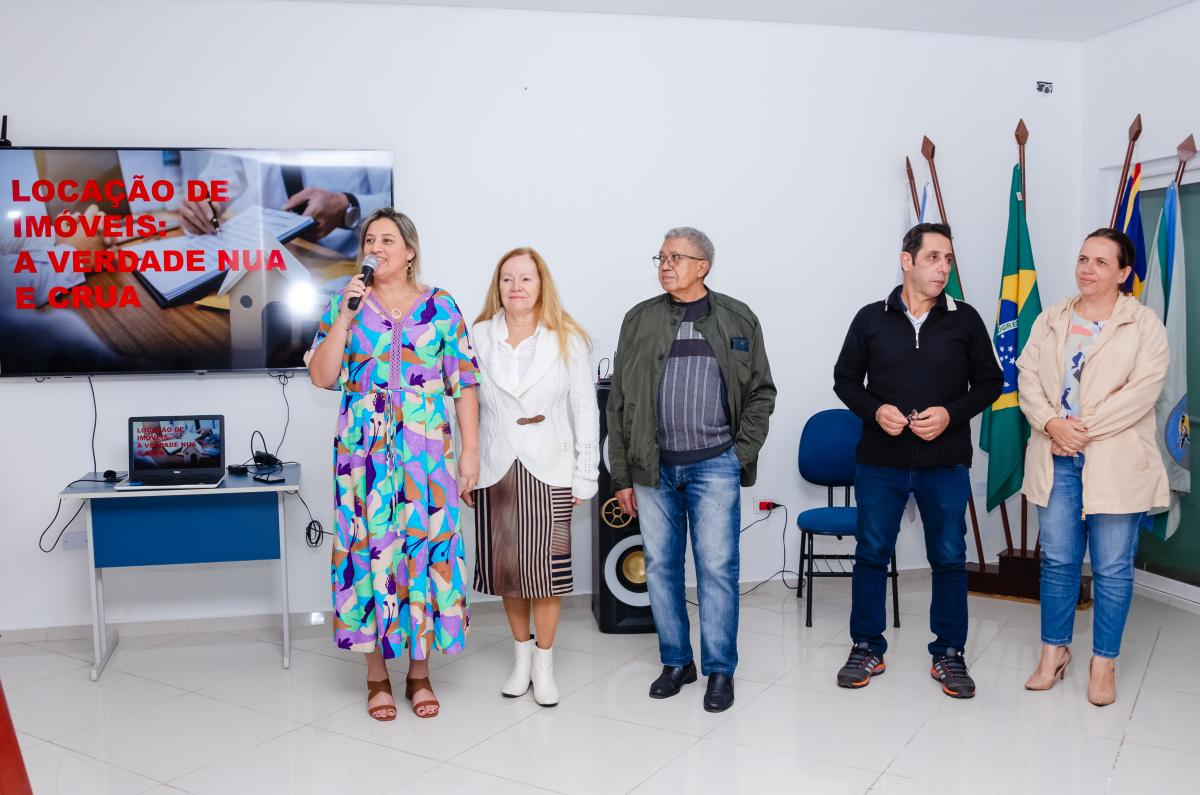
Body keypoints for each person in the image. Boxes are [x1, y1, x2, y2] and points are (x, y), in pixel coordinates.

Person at [305, 208, 481, 720]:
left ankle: (420, 673)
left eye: (387, 239)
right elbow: (321, 376)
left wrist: (470, 453)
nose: (376, 247)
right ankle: (376, 675)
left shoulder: (441, 305)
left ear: (409, 251)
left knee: (426, 552)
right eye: (369, 239)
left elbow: (465, 384)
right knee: (368, 553)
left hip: (427, 458)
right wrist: (345, 316)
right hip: (363, 459)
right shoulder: (345, 302)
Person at [607, 227, 776, 713]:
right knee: (660, 568)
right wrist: (622, 476)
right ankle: (677, 662)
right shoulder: (639, 319)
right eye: (661, 257)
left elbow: (761, 392)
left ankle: (720, 670)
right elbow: (618, 402)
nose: (665, 265)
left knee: (718, 569)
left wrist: (739, 454)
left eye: (676, 257)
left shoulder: (739, 318)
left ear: (703, 266)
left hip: (715, 464)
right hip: (653, 468)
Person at [832, 222, 1002, 699]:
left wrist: (950, 414)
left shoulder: (965, 320)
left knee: (948, 558)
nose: (943, 267)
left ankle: (948, 653)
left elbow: (991, 383)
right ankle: (867, 646)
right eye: (933, 257)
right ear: (906, 261)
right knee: (871, 554)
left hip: (944, 464)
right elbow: (845, 380)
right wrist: (874, 410)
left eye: (947, 258)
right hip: (880, 462)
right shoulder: (870, 318)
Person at [1017, 228, 1169, 707]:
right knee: (1059, 562)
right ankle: (1053, 653)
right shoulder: (1052, 318)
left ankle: (1104, 663)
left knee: (1112, 567)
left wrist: (1080, 430)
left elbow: (1143, 391)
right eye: (1084, 258)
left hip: (1116, 460)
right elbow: (1027, 377)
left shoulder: (1143, 324)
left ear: (1124, 273)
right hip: (1056, 457)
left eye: (1102, 262)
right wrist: (1051, 424)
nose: (1088, 269)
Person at [470, 246, 600, 706]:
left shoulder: (566, 337)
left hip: (551, 467)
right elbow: (464, 405)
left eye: (526, 278)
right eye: (507, 278)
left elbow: (585, 407)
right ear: (498, 286)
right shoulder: (478, 335)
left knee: (547, 573)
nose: (516, 287)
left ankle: (544, 665)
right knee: (508, 572)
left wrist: (586, 472)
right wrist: (465, 467)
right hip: (496, 465)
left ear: (542, 284)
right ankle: (521, 658)